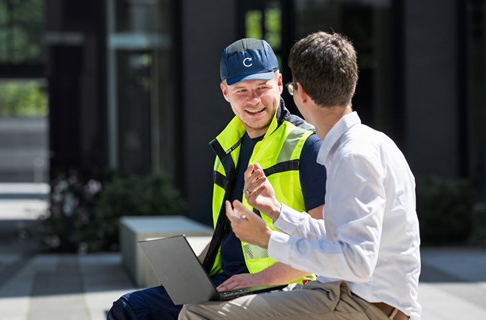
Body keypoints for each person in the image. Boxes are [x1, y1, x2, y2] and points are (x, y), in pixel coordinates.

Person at [179, 31, 421, 320]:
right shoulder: (372, 143)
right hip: (349, 296)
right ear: (352, 85)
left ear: (298, 92)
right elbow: (337, 236)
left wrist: (268, 239)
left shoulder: (352, 156)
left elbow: (358, 262)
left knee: (198, 313)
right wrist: (279, 212)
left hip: (362, 306)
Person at [107, 38, 327, 319]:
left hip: (282, 288)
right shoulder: (228, 148)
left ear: (280, 82)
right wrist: (190, 272)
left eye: (262, 87)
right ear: (225, 92)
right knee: (130, 309)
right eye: (241, 91)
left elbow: (327, 248)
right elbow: (227, 234)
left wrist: (259, 279)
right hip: (227, 283)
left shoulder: (308, 146)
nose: (254, 100)